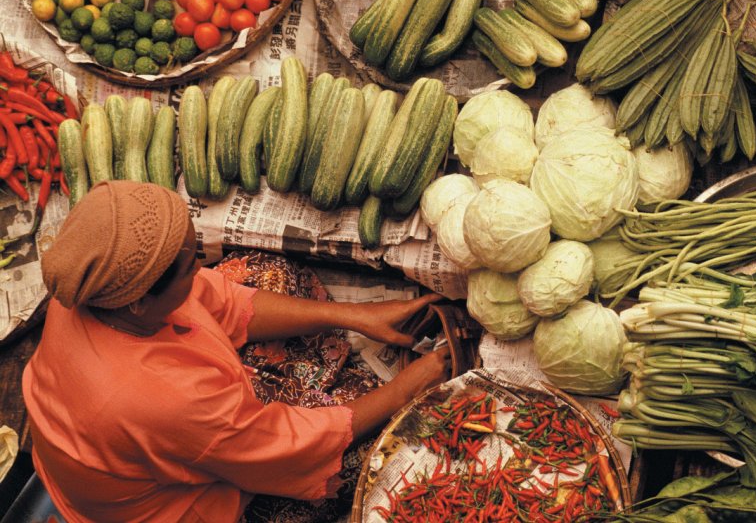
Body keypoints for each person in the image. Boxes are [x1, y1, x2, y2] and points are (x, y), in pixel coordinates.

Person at [23, 180, 451, 522]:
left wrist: (355, 315)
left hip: (136, 439)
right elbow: (287, 447)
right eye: (190, 263)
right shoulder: (164, 399)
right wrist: (404, 391)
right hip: (169, 506)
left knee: (268, 271)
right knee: (368, 454)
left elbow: (223, 301)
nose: (201, 266)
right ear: (138, 300)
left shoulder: (91, 288)